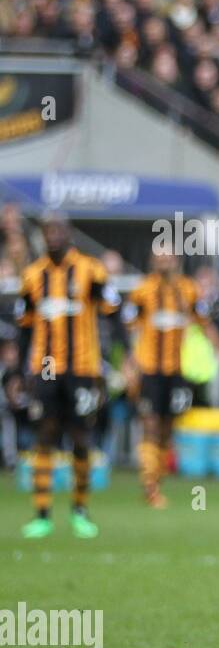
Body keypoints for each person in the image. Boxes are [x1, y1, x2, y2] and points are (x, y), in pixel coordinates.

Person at [16, 214, 119, 538]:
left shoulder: (91, 270)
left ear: (69, 233)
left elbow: (113, 312)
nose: (53, 236)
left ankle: (80, 511)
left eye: (58, 229)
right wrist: (21, 371)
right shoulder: (33, 276)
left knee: (80, 437)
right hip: (46, 367)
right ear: (42, 236)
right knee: (44, 435)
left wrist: (111, 358)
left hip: (83, 368)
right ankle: (42, 514)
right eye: (48, 230)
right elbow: (24, 327)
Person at [122, 242, 219, 507]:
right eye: (159, 257)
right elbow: (128, 329)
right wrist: (129, 362)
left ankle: (156, 482)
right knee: (149, 423)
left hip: (177, 370)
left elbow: (205, 324)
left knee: (166, 427)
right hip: (149, 370)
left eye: (168, 256)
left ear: (177, 259)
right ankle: (149, 485)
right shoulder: (142, 291)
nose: (164, 261)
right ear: (152, 261)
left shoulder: (188, 289)